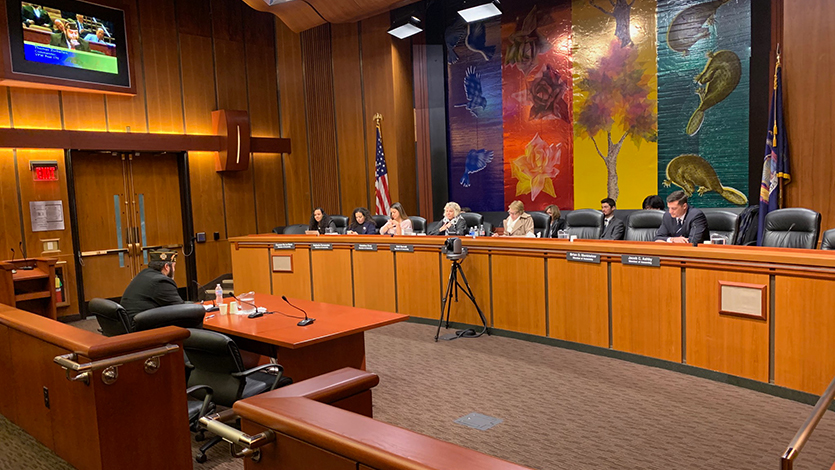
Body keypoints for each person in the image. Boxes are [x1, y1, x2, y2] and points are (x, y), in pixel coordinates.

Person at [120, 250, 184, 320]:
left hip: (131, 322)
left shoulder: (144, 273)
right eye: (174, 266)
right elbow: (181, 310)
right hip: (142, 327)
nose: (174, 270)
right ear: (166, 267)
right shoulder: (161, 282)